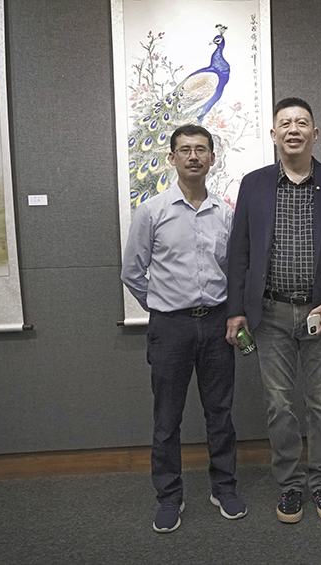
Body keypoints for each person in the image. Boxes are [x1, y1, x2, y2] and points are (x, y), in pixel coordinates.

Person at [225, 98, 321, 524]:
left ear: (315, 134)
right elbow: (239, 250)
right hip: (270, 314)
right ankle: (289, 484)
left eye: (302, 123)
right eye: (285, 123)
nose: (293, 129)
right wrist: (236, 310)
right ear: (273, 134)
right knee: (279, 405)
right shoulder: (254, 184)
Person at [121, 124, 247, 533]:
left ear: (212, 158)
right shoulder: (152, 211)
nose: (194, 156)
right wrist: (162, 306)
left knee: (220, 414)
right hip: (170, 328)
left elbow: (235, 271)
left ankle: (224, 488)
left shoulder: (226, 214)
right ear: (172, 158)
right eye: (185, 150)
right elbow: (132, 271)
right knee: (166, 419)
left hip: (216, 325)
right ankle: (169, 497)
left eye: (201, 150)